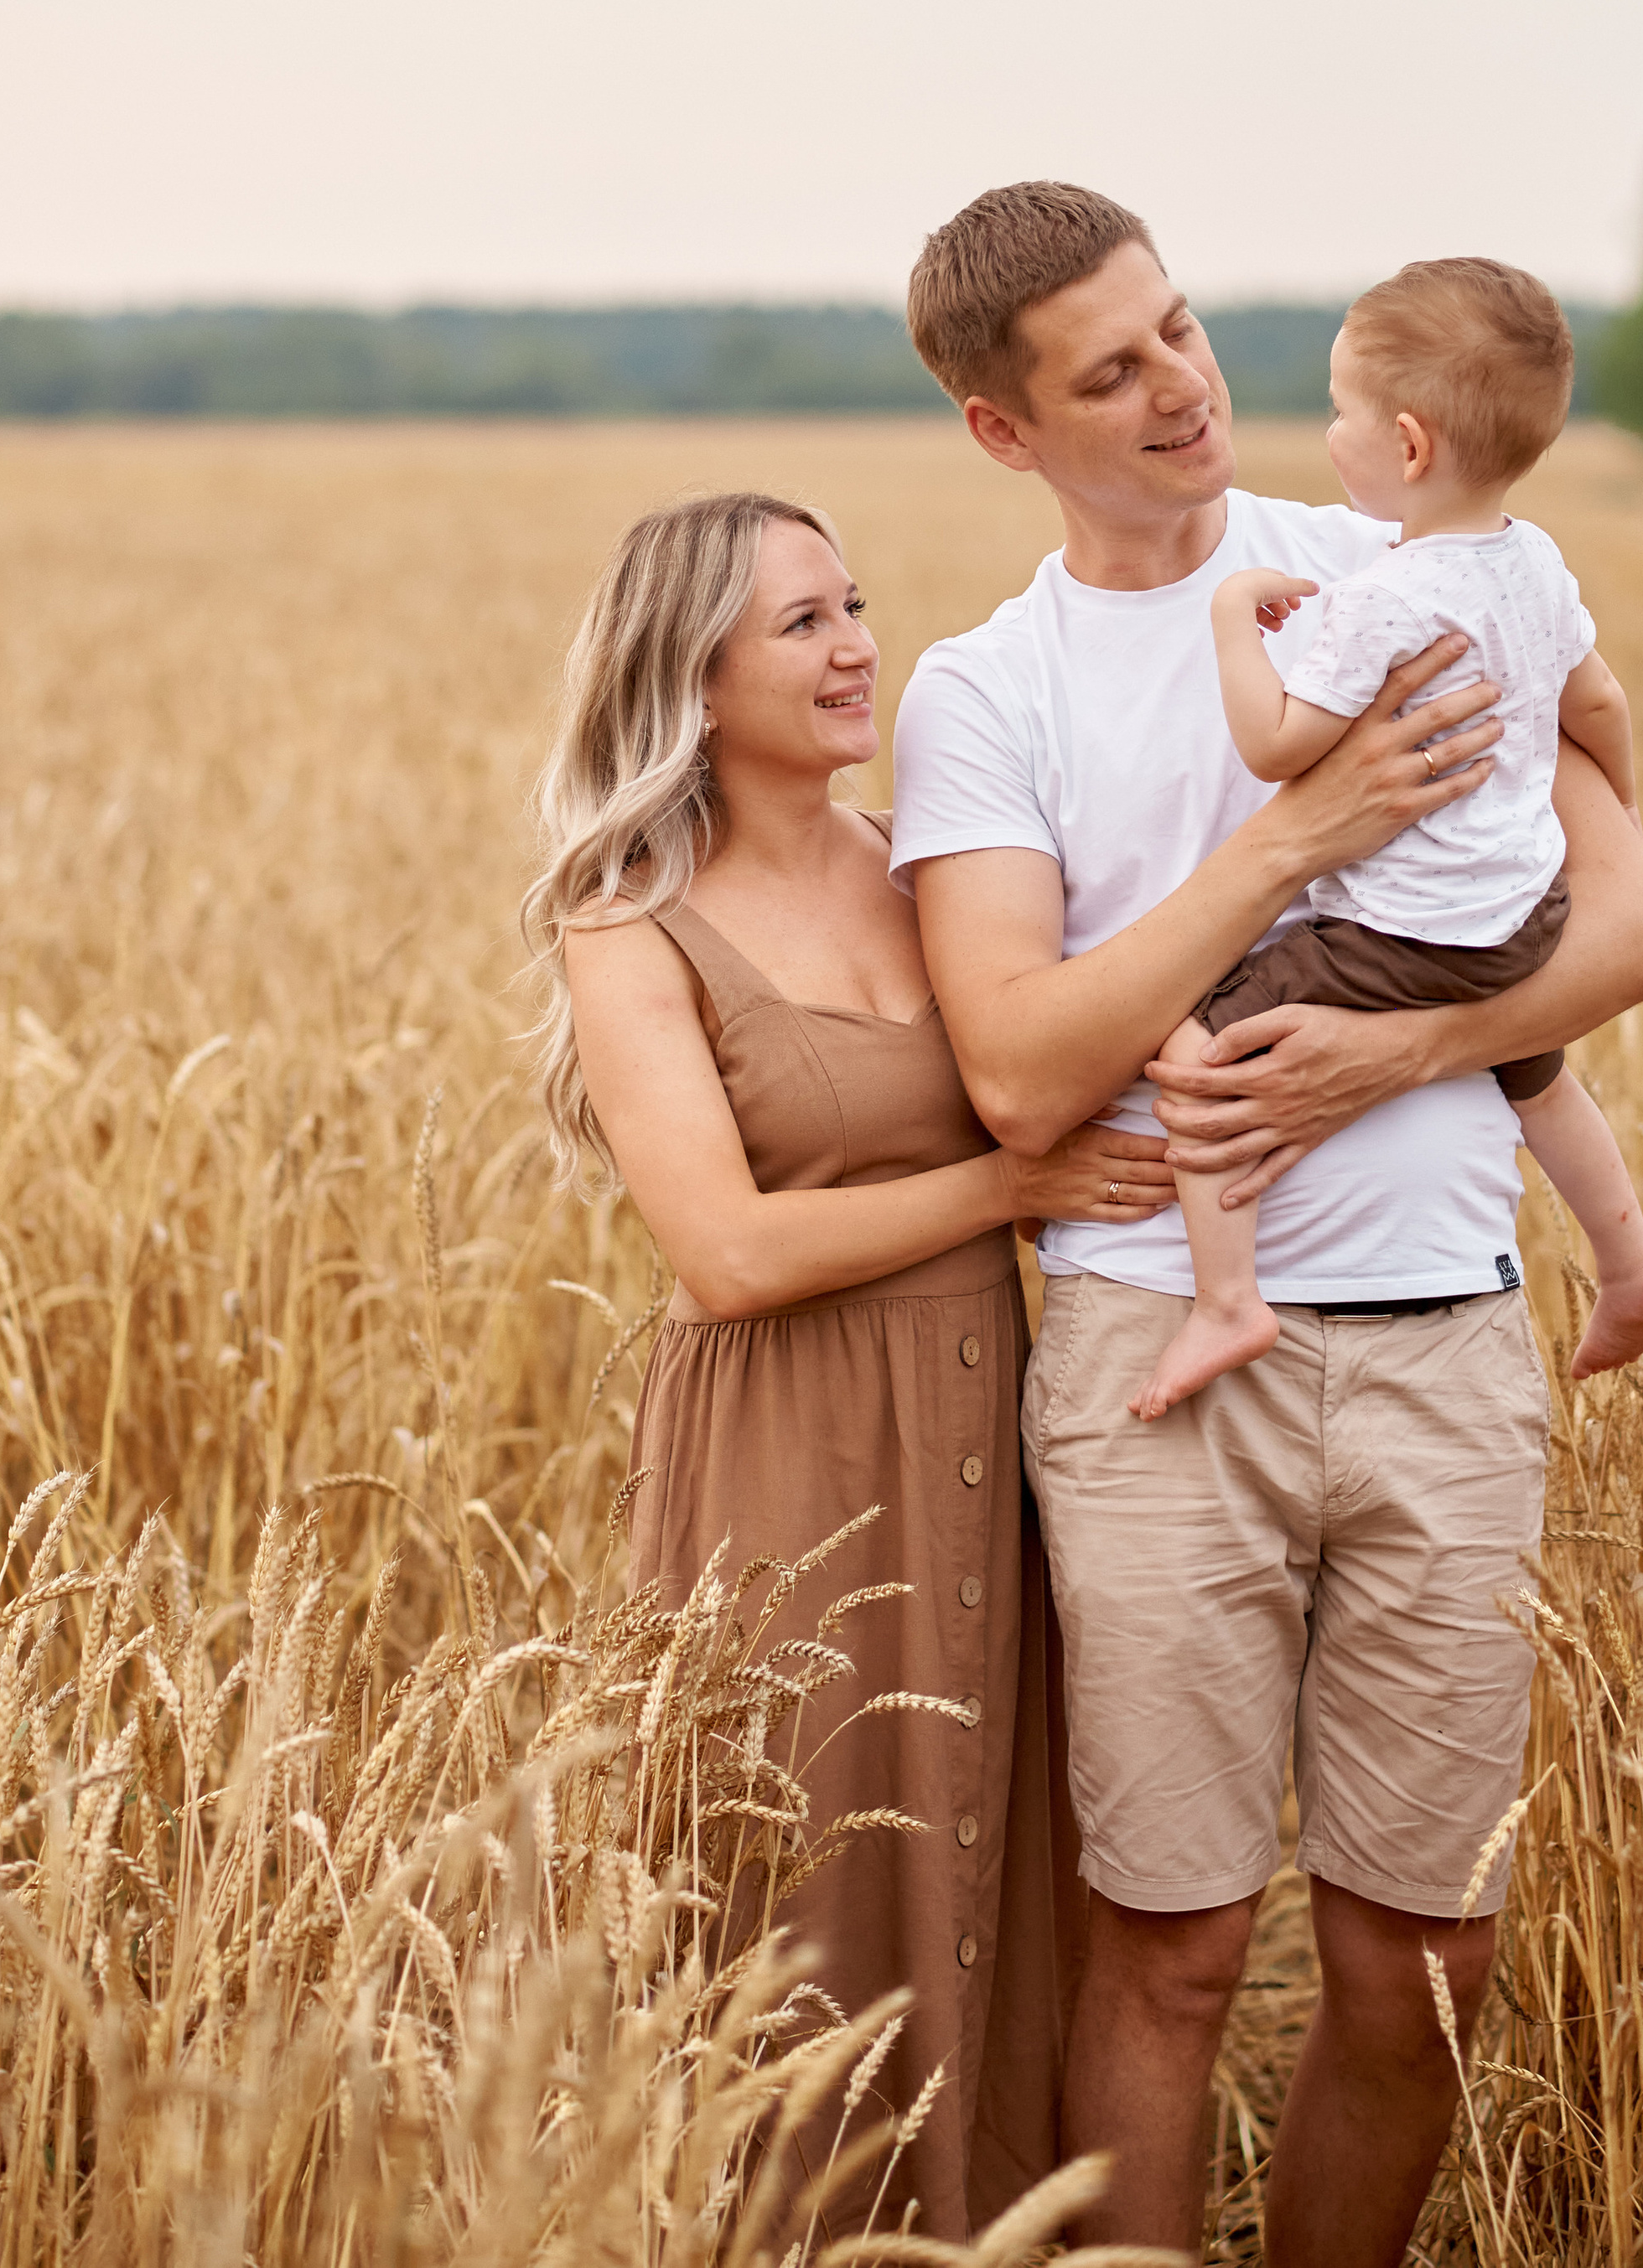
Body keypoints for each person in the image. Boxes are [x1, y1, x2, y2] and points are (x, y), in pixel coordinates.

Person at [889, 185, 1643, 2268]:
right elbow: (1024, 1075)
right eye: (1108, 370)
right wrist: (1297, 846)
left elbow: (1635, 926)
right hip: (1156, 1365)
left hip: (1441, 1344)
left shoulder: (1407, 567)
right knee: (1166, 1946)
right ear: (1003, 432)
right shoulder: (987, 694)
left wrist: (1390, 1060)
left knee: (1419, 1955)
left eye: (1175, 330)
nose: (1177, 386)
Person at [521, 488, 1175, 2241]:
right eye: (799, 623)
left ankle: (989, 2222)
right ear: (691, 673)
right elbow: (724, 1256)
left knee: (993, 1850)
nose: (854, 647)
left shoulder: (933, 864)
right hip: (784, 1462)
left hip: (993, 1429)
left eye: (855, 606)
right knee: (798, 1867)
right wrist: (1007, 1188)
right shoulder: (628, 922)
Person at [1132, 254, 1643, 1422]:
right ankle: (1631, 1265)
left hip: (1408, 930)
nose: (1330, 431)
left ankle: (1227, 1299)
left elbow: (1278, 745)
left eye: (1341, 411)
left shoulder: (1383, 598)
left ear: (1411, 445)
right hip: (1524, 919)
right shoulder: (1534, 559)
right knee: (1535, 1074)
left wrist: (1234, 617)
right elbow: (1603, 709)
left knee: (1193, 1047)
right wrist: (1618, 821)